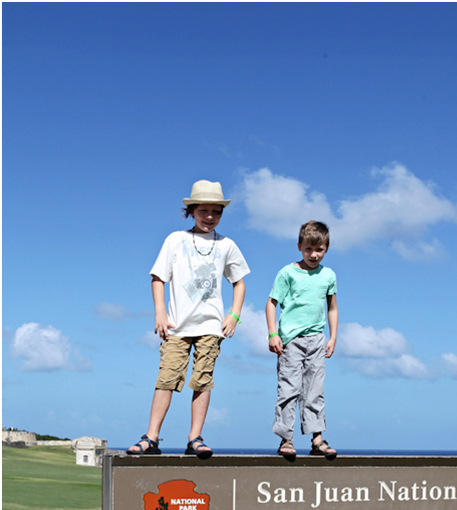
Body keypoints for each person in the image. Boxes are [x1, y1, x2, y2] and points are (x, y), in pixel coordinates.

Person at [128, 181, 249, 459]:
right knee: (166, 378)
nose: (209, 216)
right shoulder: (175, 240)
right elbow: (158, 278)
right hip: (177, 325)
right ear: (191, 211)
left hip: (211, 325)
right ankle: (152, 437)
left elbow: (239, 282)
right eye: (203, 210)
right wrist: (160, 312)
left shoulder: (227, 244)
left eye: (216, 212)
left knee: (203, 380)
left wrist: (234, 314)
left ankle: (195, 438)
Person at [265, 221, 339, 460]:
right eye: (308, 249)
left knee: (315, 390)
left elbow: (332, 308)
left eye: (319, 249)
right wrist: (272, 334)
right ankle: (286, 439)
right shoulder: (287, 273)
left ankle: (317, 440)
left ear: (326, 248)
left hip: (317, 339)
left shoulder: (328, 275)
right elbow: (271, 304)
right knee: (289, 389)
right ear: (299, 247)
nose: (313, 254)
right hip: (290, 340)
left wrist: (333, 337)